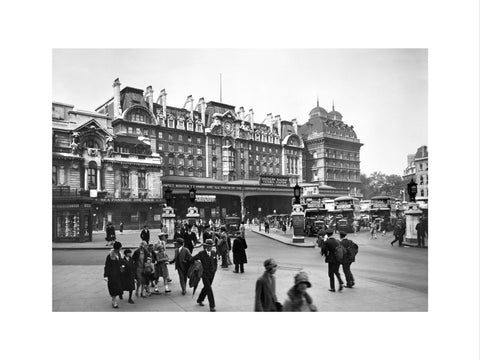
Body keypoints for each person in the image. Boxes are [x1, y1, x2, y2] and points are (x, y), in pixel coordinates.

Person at [191, 239, 218, 312]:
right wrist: (197, 265)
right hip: (204, 274)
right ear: (205, 246)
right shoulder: (201, 253)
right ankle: (212, 306)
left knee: (206, 288)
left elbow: (215, 262)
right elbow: (192, 259)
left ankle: (200, 299)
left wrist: (215, 269)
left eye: (211, 246)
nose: (209, 247)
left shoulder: (213, 253)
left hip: (212, 274)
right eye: (208, 246)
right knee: (209, 289)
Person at [103, 241, 123, 308]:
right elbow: (107, 266)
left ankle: (116, 297)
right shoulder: (110, 256)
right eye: (120, 248)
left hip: (119, 273)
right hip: (112, 275)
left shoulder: (120, 254)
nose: (121, 249)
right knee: (113, 288)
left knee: (118, 287)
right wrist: (105, 275)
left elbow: (121, 263)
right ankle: (114, 301)